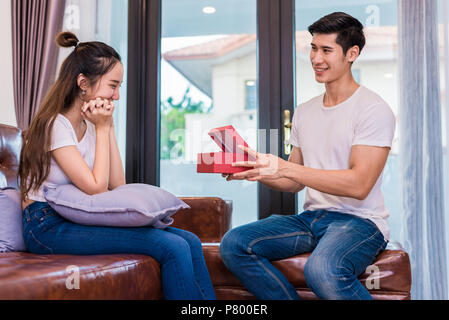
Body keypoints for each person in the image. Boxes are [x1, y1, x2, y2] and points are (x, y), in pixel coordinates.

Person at [18, 31, 216, 300]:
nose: (117, 96)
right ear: (83, 83)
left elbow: (117, 184)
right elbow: (97, 189)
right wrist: (102, 128)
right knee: (172, 247)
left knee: (190, 242)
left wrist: (106, 127)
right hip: (45, 226)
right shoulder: (57, 125)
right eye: (113, 85)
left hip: (74, 217)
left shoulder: (89, 126)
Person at [219, 12, 395, 300]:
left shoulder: (373, 109)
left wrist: (285, 168)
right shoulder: (306, 111)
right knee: (235, 243)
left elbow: (359, 184)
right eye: (314, 48)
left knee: (323, 269)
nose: (316, 58)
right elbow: (294, 181)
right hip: (312, 218)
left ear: (352, 53)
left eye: (326, 50)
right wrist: (258, 170)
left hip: (360, 221)